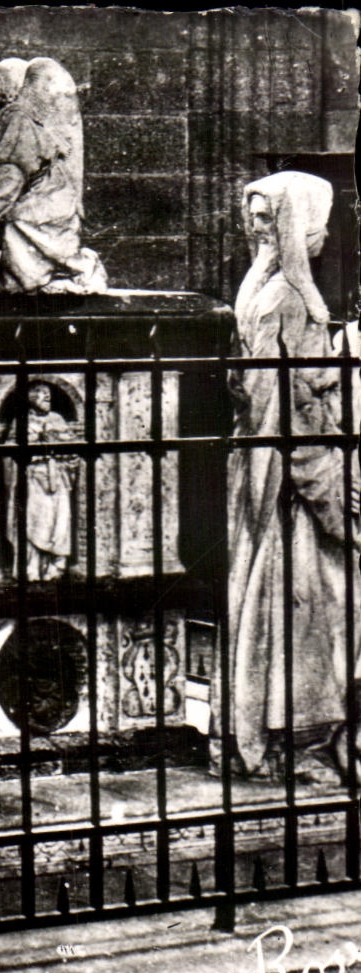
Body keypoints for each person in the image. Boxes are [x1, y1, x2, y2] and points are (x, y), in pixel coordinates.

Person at [222, 170, 353, 785]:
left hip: (258, 466)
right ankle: (297, 739)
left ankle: (270, 736)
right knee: (311, 607)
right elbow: (294, 409)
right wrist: (333, 493)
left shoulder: (258, 289)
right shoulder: (292, 300)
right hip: (292, 485)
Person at [0, 58, 106, 294]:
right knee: (18, 276)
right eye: (54, 90)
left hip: (44, 207)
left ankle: (81, 270)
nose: (56, 98)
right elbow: (8, 170)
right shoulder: (21, 117)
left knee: (21, 230)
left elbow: (9, 174)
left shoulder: (23, 118)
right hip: (50, 203)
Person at [6, 383, 78, 581]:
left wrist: (57, 442)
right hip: (34, 476)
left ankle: (56, 566)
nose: (46, 398)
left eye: (48, 394)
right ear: (30, 398)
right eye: (41, 394)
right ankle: (32, 567)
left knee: (60, 521)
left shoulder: (58, 419)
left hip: (57, 476)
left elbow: (72, 446)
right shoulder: (21, 420)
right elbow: (11, 449)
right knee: (35, 521)